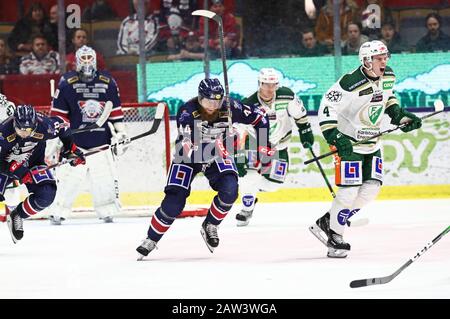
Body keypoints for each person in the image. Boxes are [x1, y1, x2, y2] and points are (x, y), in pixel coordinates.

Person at [136, 78, 272, 259]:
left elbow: (260, 118)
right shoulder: (187, 111)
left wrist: (263, 144)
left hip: (217, 153)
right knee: (174, 201)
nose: (212, 106)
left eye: (216, 101)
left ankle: (210, 225)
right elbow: (188, 148)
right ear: (200, 98)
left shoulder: (231, 107)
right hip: (189, 156)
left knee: (230, 190)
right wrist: (222, 146)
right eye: (208, 101)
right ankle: (151, 239)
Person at [310, 40, 422, 258]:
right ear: (367, 61)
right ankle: (335, 235)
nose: (384, 61)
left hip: (372, 143)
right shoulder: (350, 82)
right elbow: (327, 106)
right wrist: (334, 136)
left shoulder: (388, 75)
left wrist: (399, 115)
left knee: (371, 190)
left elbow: (388, 97)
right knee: (349, 192)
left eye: (385, 57)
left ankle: (328, 219)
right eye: (379, 58)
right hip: (348, 143)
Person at [46, 45, 129, 225]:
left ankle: (106, 210)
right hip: (75, 144)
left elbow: (115, 112)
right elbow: (58, 117)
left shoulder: (108, 81)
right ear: (76, 61)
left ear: (95, 59)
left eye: (89, 58)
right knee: (68, 178)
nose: (86, 62)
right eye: (82, 59)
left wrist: (121, 133)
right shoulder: (67, 82)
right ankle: (58, 210)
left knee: (104, 179)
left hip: (101, 142)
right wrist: (56, 139)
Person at [234, 68, 314, 226]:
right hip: (256, 143)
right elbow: (238, 130)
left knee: (274, 185)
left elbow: (300, 115)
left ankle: (251, 188)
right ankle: (246, 209)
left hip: (280, 144)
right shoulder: (249, 103)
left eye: (273, 85)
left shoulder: (287, 95)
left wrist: (306, 131)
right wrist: (238, 155)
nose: (270, 89)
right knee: (248, 175)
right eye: (266, 84)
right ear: (260, 84)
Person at [0, 104, 85, 243]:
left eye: (28, 130)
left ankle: (17, 215)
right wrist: (20, 172)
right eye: (21, 129)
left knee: (46, 195)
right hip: (4, 165)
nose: (25, 133)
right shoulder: (3, 132)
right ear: (14, 122)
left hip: (33, 163)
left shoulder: (45, 126)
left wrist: (70, 149)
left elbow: (63, 125)